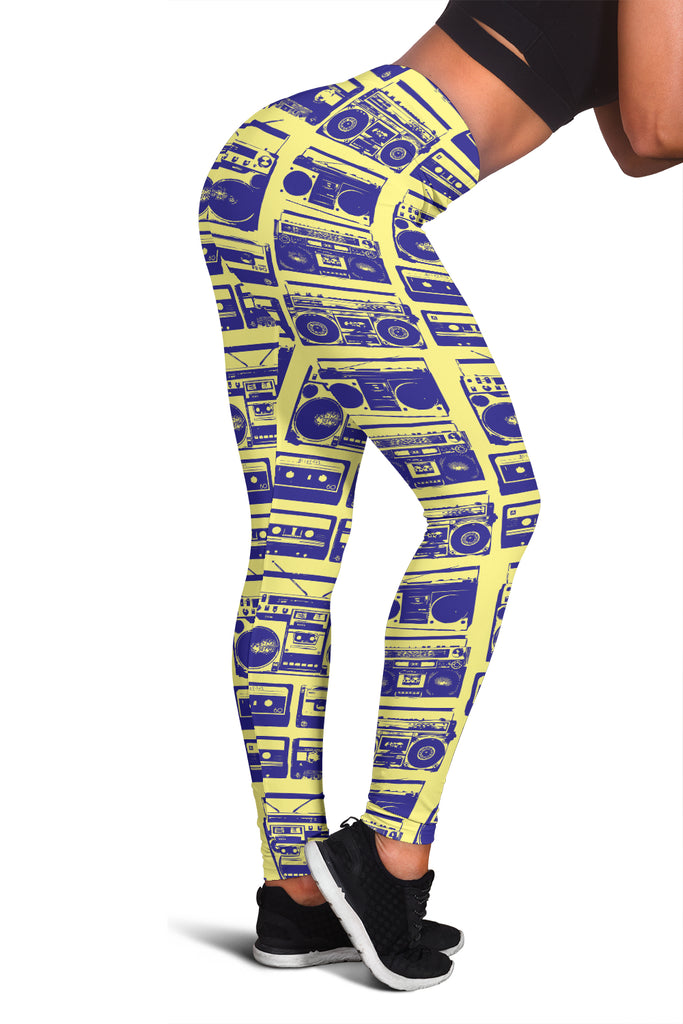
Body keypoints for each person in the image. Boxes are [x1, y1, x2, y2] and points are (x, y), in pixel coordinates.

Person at [198, 0, 683, 992]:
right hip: (340, 191)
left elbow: (633, 147)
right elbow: (658, 125)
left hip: (267, 166)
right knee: (490, 509)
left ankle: (296, 897)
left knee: (293, 541)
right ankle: (390, 860)